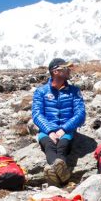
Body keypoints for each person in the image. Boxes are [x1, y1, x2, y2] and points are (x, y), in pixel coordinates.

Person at [32, 58, 86, 186]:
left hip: (66, 130)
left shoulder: (74, 91)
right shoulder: (41, 91)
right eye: (66, 68)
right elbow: (37, 114)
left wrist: (64, 129)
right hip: (46, 130)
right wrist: (50, 131)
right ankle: (63, 175)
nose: (69, 71)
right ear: (56, 71)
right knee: (49, 145)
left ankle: (54, 175)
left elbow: (81, 114)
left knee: (62, 146)